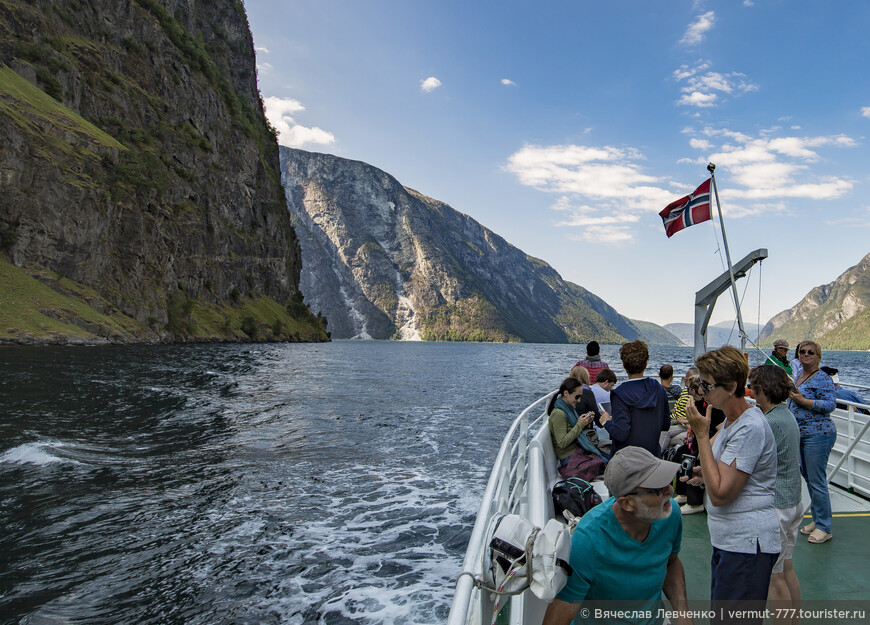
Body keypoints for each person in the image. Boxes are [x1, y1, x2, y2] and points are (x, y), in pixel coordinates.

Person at [542, 447, 692, 625]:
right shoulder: (589, 540)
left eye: (667, 482)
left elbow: (671, 562)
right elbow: (562, 609)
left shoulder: (669, 513)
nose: (669, 490)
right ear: (627, 503)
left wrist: (683, 615)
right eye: (657, 489)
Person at [683, 345, 779, 624]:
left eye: (707, 384)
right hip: (730, 542)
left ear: (731, 386)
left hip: (746, 545)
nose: (701, 390)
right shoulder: (731, 422)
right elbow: (723, 472)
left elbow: (723, 493)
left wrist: (701, 433)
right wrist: (706, 473)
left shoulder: (749, 427)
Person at [748, 365, 802, 625]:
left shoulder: (768, 423)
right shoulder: (787, 416)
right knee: (787, 568)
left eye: (753, 388)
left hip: (777, 507)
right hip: (793, 500)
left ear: (761, 390)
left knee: (773, 577)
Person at [787, 340, 837, 544]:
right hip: (802, 434)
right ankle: (818, 520)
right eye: (802, 352)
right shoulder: (799, 376)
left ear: (819, 356)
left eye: (811, 352)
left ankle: (825, 526)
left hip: (818, 434)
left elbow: (830, 405)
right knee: (809, 478)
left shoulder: (823, 378)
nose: (806, 354)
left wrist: (802, 401)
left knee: (816, 480)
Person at [605, 341, 670, 458]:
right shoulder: (659, 389)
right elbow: (665, 424)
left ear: (624, 364)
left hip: (626, 460)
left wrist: (606, 422)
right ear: (646, 363)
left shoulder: (619, 394)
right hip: (652, 457)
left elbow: (620, 433)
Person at [548, 377, 610, 480]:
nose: (579, 400)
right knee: (607, 463)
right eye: (577, 397)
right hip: (570, 458)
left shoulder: (569, 409)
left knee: (610, 455)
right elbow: (562, 442)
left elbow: (573, 430)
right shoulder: (559, 414)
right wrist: (580, 425)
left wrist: (585, 423)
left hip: (578, 451)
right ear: (566, 393)